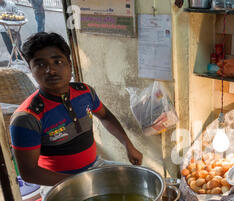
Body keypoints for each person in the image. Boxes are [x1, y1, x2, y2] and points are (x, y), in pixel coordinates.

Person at [9, 32, 143, 187]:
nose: (50, 70)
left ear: (69, 65)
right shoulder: (27, 118)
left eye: (57, 61)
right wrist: (80, 183)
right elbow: (29, 173)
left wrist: (128, 145)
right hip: (59, 184)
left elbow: (105, 116)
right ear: (30, 69)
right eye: (40, 64)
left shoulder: (84, 92)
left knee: (137, 182)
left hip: (95, 167)